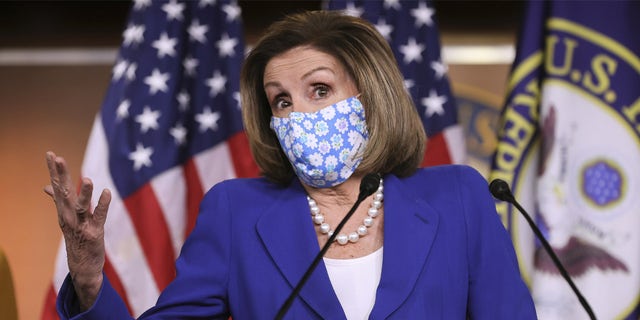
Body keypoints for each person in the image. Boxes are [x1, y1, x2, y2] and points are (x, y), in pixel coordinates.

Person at [45, 10, 537, 319]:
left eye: (319, 90)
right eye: (280, 101)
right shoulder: (236, 211)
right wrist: (89, 282)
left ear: (370, 98)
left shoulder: (457, 197)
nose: (297, 112)